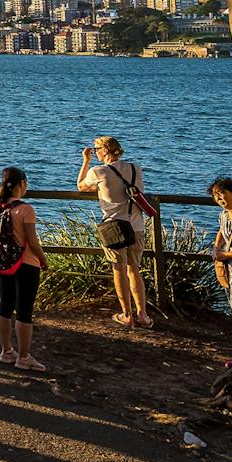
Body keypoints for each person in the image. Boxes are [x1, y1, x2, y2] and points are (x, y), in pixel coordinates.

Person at [77, 135, 152, 327]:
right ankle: (143, 315)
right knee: (134, 269)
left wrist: (86, 161)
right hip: (136, 226)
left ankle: (127, 315)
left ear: (103, 151)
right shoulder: (136, 168)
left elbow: (80, 186)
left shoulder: (98, 171)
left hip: (114, 227)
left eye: (96, 150)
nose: (95, 153)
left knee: (119, 269)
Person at [0, 166, 47, 371]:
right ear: (22, 184)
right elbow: (32, 241)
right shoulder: (26, 209)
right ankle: (24, 357)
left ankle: (6, 351)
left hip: (5, 263)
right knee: (24, 310)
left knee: (5, 305)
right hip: (26, 264)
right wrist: (43, 259)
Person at [209, 175, 232, 361]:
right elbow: (222, 230)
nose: (220, 199)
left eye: (222, 194)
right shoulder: (223, 215)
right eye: (216, 196)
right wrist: (217, 246)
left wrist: (225, 255)